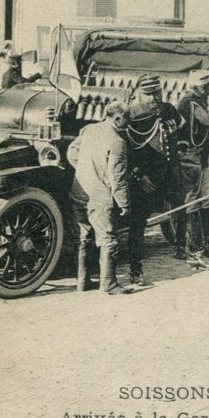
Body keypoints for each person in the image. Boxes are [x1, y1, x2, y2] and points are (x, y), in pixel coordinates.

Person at [67, 100, 134, 295]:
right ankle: (109, 284)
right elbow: (118, 178)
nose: (130, 122)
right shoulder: (117, 142)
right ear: (118, 117)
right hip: (100, 198)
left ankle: (82, 281)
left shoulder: (89, 129)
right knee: (108, 240)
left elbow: (72, 151)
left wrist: (85, 169)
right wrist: (124, 204)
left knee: (84, 237)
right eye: (128, 118)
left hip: (79, 193)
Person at [125, 73, 186, 285]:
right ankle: (135, 269)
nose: (154, 98)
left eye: (157, 92)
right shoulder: (131, 116)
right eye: (148, 94)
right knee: (138, 223)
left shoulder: (169, 109)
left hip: (170, 171)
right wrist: (138, 176)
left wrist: (181, 155)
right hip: (146, 178)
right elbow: (124, 151)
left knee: (180, 207)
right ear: (138, 94)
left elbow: (180, 132)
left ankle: (181, 246)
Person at [175, 69, 209, 261]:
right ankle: (194, 248)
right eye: (207, 86)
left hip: (201, 157)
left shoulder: (197, 101)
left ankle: (205, 245)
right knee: (192, 202)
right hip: (190, 159)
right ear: (198, 87)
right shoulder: (189, 102)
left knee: (205, 200)